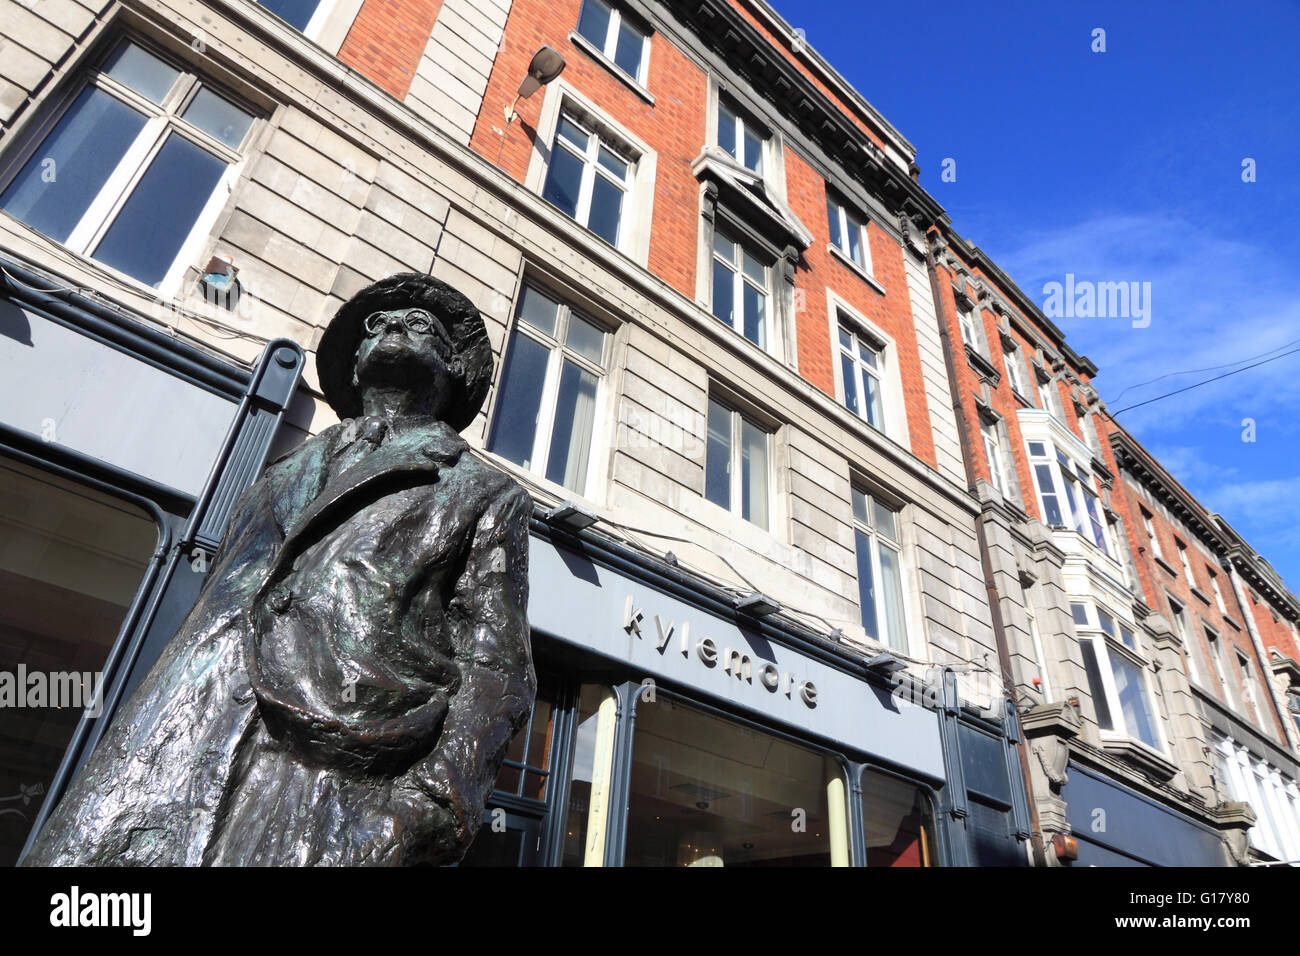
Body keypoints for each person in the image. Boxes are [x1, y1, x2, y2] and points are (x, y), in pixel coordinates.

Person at [24, 273, 535, 866]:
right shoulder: (283, 472)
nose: (394, 326)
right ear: (355, 364)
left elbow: (496, 663)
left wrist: (433, 803)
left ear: (451, 370)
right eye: (378, 325)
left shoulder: (481, 490)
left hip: (333, 763)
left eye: (420, 325)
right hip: (189, 724)